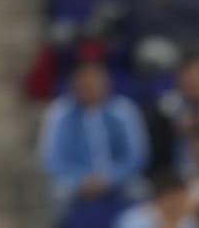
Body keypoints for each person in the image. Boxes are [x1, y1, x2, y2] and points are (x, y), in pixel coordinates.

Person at [38, 60, 149, 208]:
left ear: (107, 84)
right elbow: (51, 158)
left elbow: (137, 154)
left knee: (140, 190)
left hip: (119, 179)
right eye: (85, 84)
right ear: (74, 85)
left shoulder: (124, 110)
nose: (90, 88)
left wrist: (108, 178)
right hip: (75, 181)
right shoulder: (59, 112)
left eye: (95, 83)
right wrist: (81, 179)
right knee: (59, 191)